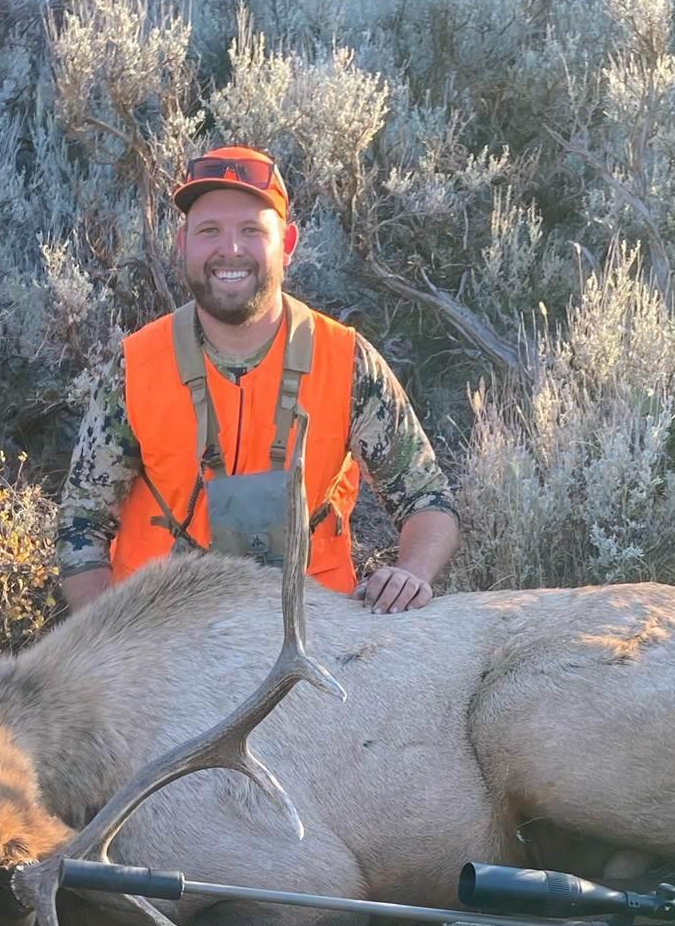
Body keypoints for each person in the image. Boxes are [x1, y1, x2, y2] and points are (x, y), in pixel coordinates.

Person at [57, 145, 460, 616]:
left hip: (314, 632)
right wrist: (110, 637)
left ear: (286, 244)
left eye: (252, 230)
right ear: (183, 242)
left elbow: (427, 500)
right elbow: (81, 523)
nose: (230, 249)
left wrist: (410, 574)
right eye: (210, 231)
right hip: (165, 643)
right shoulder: (136, 367)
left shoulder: (346, 361)